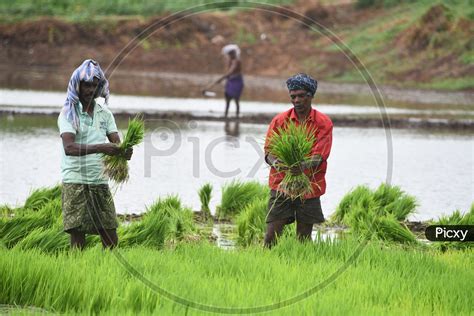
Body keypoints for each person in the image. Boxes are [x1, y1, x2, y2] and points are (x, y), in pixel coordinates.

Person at [58, 59, 132, 250]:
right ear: (77, 86)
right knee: (78, 236)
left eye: (94, 85)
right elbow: (70, 148)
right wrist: (101, 148)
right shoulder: (69, 113)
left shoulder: (104, 113)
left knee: (110, 234)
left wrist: (124, 151)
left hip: (99, 180)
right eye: (86, 85)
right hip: (76, 180)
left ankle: (107, 272)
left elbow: (116, 142)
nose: (90, 90)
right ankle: (77, 274)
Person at [263, 73, 333, 248]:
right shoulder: (280, 121)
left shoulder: (323, 122)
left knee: (303, 239)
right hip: (281, 184)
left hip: (309, 184)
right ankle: (265, 265)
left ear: (311, 96)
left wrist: (302, 167)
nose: (297, 100)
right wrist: (277, 163)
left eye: (301, 96)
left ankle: (302, 266)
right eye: (293, 96)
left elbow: (320, 155)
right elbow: (268, 152)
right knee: (271, 236)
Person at [208, 44, 244, 119]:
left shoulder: (236, 61)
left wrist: (221, 79)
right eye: (230, 54)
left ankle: (237, 115)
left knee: (236, 99)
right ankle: (226, 115)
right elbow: (228, 71)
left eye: (231, 53)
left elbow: (230, 72)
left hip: (236, 81)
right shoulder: (230, 61)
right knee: (228, 98)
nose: (230, 55)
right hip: (230, 81)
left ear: (234, 53)